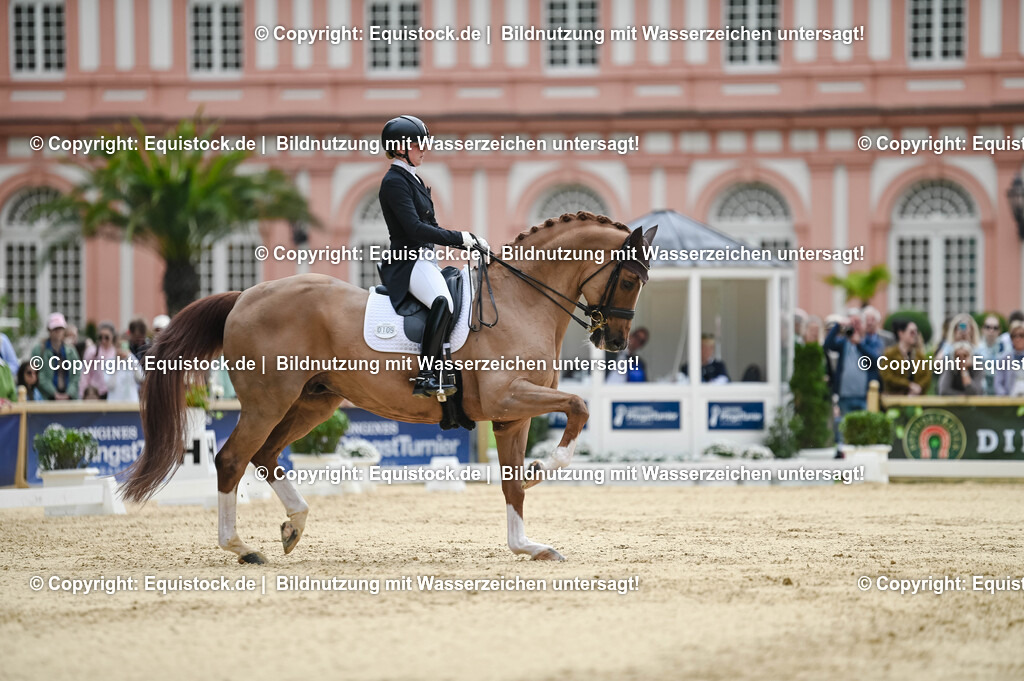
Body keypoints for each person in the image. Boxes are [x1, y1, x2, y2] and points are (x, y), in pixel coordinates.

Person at [377, 114, 490, 397]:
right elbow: (415, 229)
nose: (423, 149)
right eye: (417, 144)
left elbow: (432, 228)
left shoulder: (413, 179)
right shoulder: (394, 181)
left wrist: (468, 241)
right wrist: (459, 237)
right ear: (400, 147)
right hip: (408, 261)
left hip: (425, 260)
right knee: (442, 300)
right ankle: (428, 373)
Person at [823, 308, 879, 416]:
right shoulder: (844, 342)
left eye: (857, 322)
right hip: (845, 396)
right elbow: (828, 345)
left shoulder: (870, 341)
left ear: (863, 324)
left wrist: (859, 344)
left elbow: (876, 360)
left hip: (865, 396)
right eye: (852, 323)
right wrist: (838, 325)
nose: (855, 326)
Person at [30, 312, 81, 400]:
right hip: (46, 397)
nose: (58, 331)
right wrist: (54, 393)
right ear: (49, 330)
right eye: (55, 328)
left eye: (60, 328)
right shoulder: (39, 350)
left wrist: (69, 393)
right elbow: (37, 374)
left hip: (69, 398)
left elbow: (76, 375)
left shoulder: (71, 351)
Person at [879, 319, 931, 395]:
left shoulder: (920, 355)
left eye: (916, 332)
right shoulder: (890, 354)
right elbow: (887, 376)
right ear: (901, 333)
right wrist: (909, 385)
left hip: (917, 398)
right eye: (912, 332)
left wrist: (918, 387)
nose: (915, 335)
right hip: (895, 398)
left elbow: (927, 377)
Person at [79, 321, 118, 399]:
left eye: (106, 337)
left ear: (112, 337)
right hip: (95, 393)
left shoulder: (116, 352)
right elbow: (85, 373)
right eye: (100, 337)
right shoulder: (92, 351)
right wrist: (82, 393)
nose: (103, 340)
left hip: (111, 393)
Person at [994, 321, 1024, 397]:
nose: (1018, 339)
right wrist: (1005, 399)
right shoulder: (1004, 359)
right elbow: (998, 384)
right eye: (1014, 336)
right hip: (1010, 400)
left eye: (1021, 335)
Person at [975, 314, 1003, 394]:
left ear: (999, 330)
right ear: (982, 329)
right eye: (988, 327)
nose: (991, 330)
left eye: (995, 328)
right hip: (981, 391)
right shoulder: (976, 349)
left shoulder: (1005, 348)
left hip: (1000, 392)